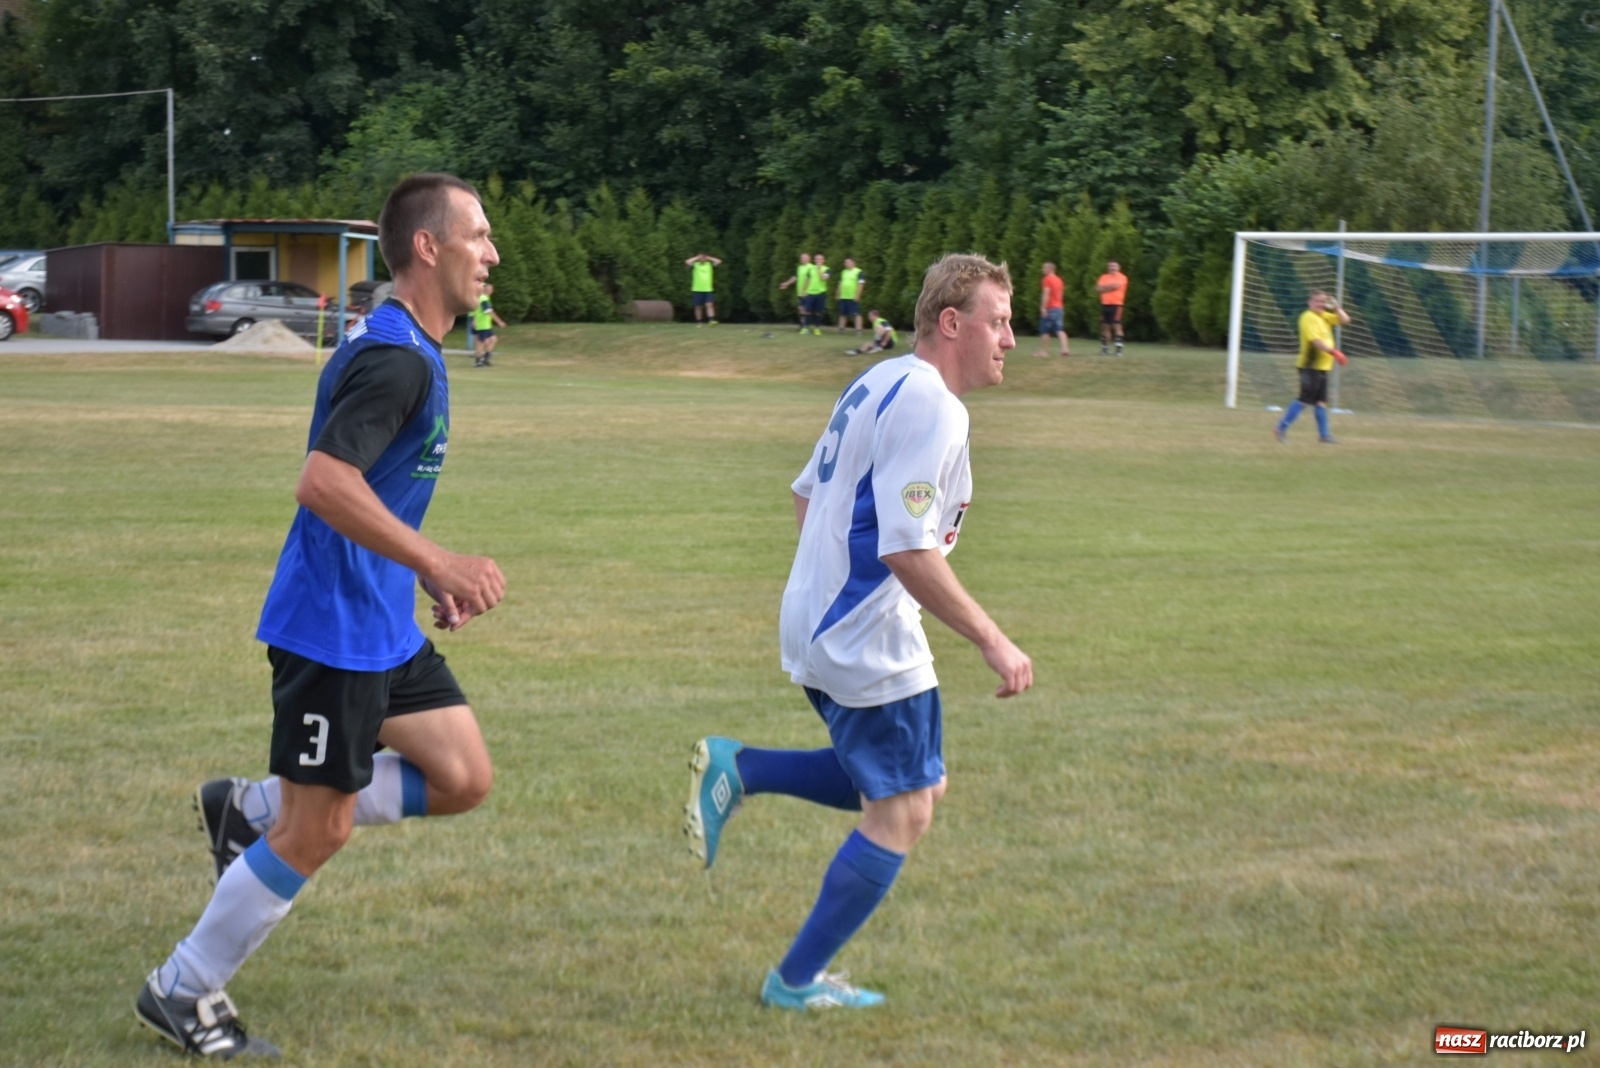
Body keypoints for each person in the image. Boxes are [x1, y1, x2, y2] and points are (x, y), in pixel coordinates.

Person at [134, 173, 508, 1059]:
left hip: (380, 622)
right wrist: (436, 559)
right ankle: (182, 990)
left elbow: (368, 494)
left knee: (462, 776)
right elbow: (324, 482)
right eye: (479, 236)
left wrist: (418, 576)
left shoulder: (413, 346)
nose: (492, 254)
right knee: (322, 827)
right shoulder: (396, 359)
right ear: (429, 246)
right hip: (331, 631)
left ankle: (250, 808)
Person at [683, 252, 1034, 1012]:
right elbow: (906, 546)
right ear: (952, 322)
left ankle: (740, 768)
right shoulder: (935, 404)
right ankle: (795, 982)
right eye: (999, 322)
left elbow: (807, 495)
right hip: (863, 634)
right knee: (904, 808)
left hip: (821, 619)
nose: (1011, 339)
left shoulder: (877, 380)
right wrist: (990, 637)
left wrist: (825, 588)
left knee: (914, 782)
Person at [1275, 289, 1351, 444]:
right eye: (1317, 301)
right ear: (1309, 302)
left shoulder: (1324, 317)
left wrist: (1336, 307)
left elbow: (1345, 320)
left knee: (1321, 401)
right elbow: (1315, 341)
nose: (1320, 304)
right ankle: (1280, 428)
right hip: (1310, 365)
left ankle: (1324, 435)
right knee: (1304, 399)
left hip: (1322, 366)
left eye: (1323, 301)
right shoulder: (1308, 317)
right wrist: (1335, 352)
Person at [1095, 260, 1128, 356]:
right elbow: (1098, 288)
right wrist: (1108, 287)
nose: (1112, 268)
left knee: (1117, 325)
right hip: (1105, 304)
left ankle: (1119, 350)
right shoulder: (1103, 277)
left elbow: (1116, 286)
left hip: (1117, 304)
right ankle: (1105, 349)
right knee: (1105, 326)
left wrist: (1104, 288)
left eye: (1114, 266)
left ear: (1119, 267)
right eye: (1110, 266)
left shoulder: (1122, 277)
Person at [1037, 262, 1069, 358]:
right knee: (1059, 329)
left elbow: (1046, 293)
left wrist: (1043, 307)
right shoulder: (1059, 280)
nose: (1042, 270)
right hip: (1059, 307)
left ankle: (1044, 351)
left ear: (1050, 269)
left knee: (1045, 330)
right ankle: (1065, 348)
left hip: (1050, 307)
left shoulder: (1047, 279)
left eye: (1044, 268)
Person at [778, 253, 815, 334]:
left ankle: (806, 326)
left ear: (809, 259)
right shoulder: (799, 268)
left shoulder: (812, 267)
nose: (803, 259)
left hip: (809, 292)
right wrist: (786, 283)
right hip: (800, 292)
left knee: (806, 309)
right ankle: (803, 325)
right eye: (801, 257)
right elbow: (795, 277)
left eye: (805, 257)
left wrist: (807, 290)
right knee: (801, 309)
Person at [472, 282, 507, 367]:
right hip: (482, 325)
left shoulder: (484, 298)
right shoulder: (483, 299)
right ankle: (478, 361)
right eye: (490, 289)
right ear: (487, 290)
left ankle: (486, 358)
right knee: (481, 342)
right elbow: (489, 312)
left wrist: (474, 320)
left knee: (493, 339)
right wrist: (499, 322)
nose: (491, 291)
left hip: (486, 325)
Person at [686, 253, 722, 325]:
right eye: (701, 258)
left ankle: (711, 320)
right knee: (698, 306)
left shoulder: (709, 265)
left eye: (704, 258)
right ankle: (699, 321)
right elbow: (687, 262)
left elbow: (719, 261)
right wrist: (696, 257)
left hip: (708, 289)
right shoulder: (696, 265)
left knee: (709, 305)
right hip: (697, 289)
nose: (702, 259)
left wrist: (709, 257)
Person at [835, 258, 865, 335]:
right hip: (843, 296)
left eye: (847, 262)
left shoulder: (859, 272)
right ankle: (841, 330)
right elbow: (840, 284)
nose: (845, 264)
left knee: (856, 314)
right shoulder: (843, 272)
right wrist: (838, 293)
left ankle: (858, 331)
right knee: (842, 314)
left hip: (852, 297)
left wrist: (857, 295)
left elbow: (861, 285)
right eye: (845, 262)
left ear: (853, 263)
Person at [807, 253, 831, 336]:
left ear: (824, 260)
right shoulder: (810, 269)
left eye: (820, 259)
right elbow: (808, 280)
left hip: (820, 292)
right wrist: (804, 290)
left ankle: (817, 328)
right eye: (817, 259)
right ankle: (806, 328)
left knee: (818, 312)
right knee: (808, 311)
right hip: (810, 292)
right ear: (814, 260)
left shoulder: (827, 269)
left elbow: (824, 278)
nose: (818, 261)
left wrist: (819, 269)